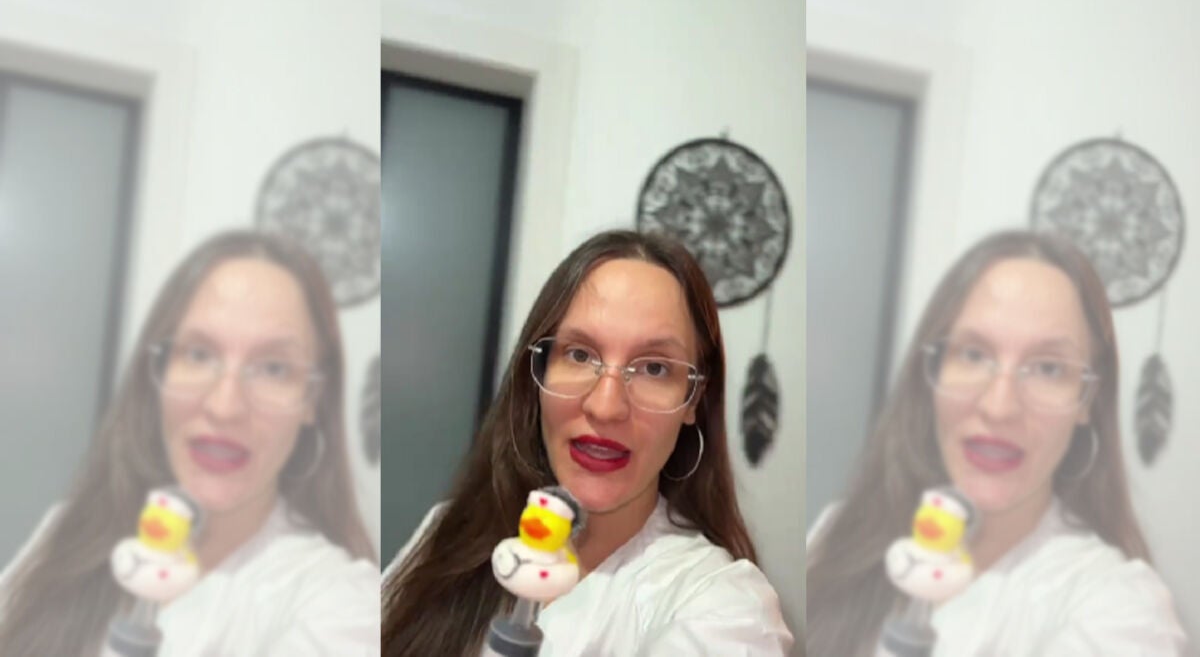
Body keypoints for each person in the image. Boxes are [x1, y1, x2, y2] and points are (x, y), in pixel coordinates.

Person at [382, 229, 792, 656]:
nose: (606, 406)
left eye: (654, 368)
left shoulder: (724, 608)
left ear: (694, 400)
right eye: (579, 354)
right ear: (537, 373)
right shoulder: (448, 533)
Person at [806, 230, 1188, 655]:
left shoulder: (1119, 610)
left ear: (1088, 400)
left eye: (1047, 368)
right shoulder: (838, 535)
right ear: (931, 371)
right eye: (973, 354)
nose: (999, 406)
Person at [0, 230, 379, 655]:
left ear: (313, 398)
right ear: (158, 370)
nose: (224, 406)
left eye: (273, 368)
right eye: (199, 355)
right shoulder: (68, 533)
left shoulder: (343, 605)